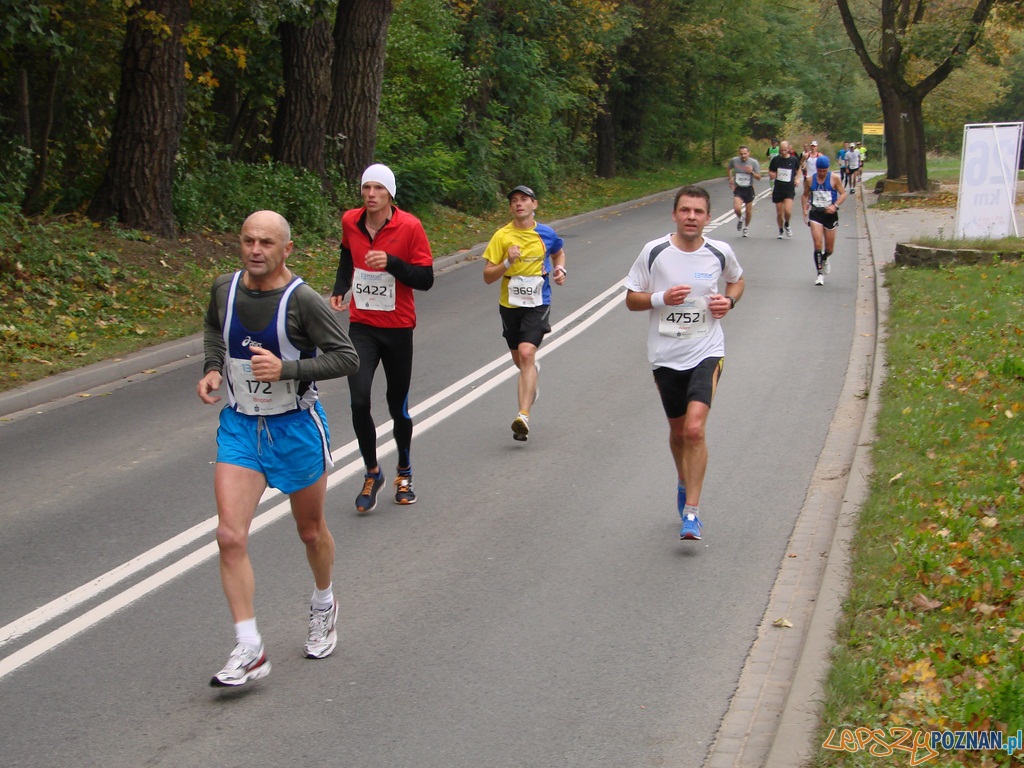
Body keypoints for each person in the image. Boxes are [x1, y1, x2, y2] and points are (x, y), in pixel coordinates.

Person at [198, 210, 360, 687]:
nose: (255, 250)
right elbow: (214, 328)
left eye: (266, 242)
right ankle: (249, 647)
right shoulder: (224, 289)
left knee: (310, 533)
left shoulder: (303, 301)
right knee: (230, 536)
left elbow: (346, 357)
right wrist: (212, 366)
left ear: (286, 249)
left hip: (294, 429)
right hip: (241, 427)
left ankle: (324, 603)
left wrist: (287, 371)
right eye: (248, 240)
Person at [624, 185, 745, 541]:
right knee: (678, 432)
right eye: (686, 210)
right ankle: (683, 479)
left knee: (694, 429)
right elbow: (632, 299)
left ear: (708, 218)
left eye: (699, 212)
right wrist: (661, 298)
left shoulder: (720, 252)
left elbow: (737, 282)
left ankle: (692, 511)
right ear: (675, 214)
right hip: (665, 356)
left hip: (707, 350)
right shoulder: (655, 252)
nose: (692, 217)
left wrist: (729, 302)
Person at [331, 164, 434, 513]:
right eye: (366, 187)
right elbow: (347, 253)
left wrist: (391, 262)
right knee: (359, 400)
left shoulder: (410, 226)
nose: (371, 194)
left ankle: (404, 471)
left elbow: (425, 278)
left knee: (397, 405)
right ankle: (372, 472)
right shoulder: (351, 221)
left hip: (398, 328)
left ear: (390, 194)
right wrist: (341, 287)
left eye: (378, 188)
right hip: (362, 326)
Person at [482, 185, 566, 442]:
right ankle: (531, 380)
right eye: (514, 201)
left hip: (538, 301)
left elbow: (558, 252)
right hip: (510, 306)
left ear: (534, 205)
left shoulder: (546, 233)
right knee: (521, 361)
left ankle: (523, 416)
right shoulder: (502, 236)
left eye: (524, 200)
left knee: (528, 353)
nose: (519, 204)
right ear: (510, 208)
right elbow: (487, 276)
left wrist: (561, 269)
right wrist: (507, 262)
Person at [802, 155, 848, 285]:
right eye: (820, 170)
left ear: (828, 169)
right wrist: (805, 211)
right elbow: (805, 195)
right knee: (817, 244)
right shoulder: (810, 180)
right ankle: (819, 274)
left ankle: (825, 258)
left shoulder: (834, 178)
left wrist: (835, 206)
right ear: (816, 169)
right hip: (816, 214)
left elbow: (843, 193)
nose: (822, 173)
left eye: (824, 170)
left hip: (830, 216)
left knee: (829, 248)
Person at [768, 140, 802, 238]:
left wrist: (798, 179)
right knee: (779, 213)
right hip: (778, 189)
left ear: (789, 149)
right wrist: (771, 175)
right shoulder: (776, 160)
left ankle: (787, 224)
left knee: (787, 211)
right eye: (781, 150)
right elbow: (771, 171)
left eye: (785, 150)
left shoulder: (793, 160)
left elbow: (799, 169)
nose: (783, 152)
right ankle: (780, 230)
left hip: (789, 189)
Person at [727, 145, 761, 237]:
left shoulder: (753, 163)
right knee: (737, 208)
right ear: (739, 154)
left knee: (748, 211)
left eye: (745, 154)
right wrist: (730, 179)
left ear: (749, 153)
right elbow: (729, 168)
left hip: (749, 188)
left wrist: (751, 172)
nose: (743, 156)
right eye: (741, 154)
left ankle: (746, 227)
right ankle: (740, 218)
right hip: (739, 188)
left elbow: (759, 178)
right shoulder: (735, 160)